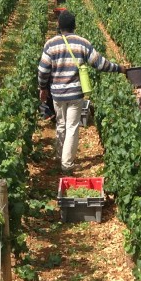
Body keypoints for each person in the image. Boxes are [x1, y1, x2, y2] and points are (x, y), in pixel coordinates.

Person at [38, 10, 126, 172]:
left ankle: (60, 156)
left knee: (61, 124)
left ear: (58, 26)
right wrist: (119, 68)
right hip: (75, 94)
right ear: (74, 26)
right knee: (72, 126)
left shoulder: (50, 44)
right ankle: (67, 164)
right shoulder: (82, 43)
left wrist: (43, 88)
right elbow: (100, 64)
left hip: (57, 94)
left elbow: (43, 70)